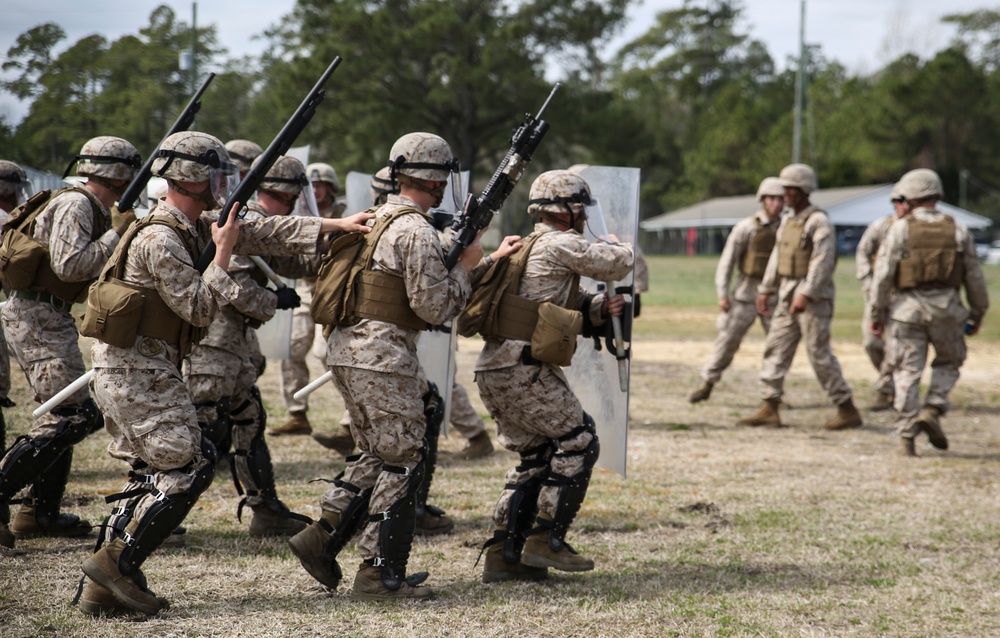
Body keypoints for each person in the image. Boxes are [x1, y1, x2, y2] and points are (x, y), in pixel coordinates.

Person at [77, 131, 374, 617]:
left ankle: (103, 584)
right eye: (213, 176)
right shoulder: (160, 237)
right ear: (189, 180)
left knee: (166, 468)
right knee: (189, 466)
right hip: (134, 371)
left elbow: (265, 232)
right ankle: (117, 564)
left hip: (149, 367)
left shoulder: (192, 222)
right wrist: (222, 253)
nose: (222, 185)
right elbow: (197, 308)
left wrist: (335, 224)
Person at [289, 132, 515, 600]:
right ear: (439, 182)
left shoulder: (381, 217)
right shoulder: (414, 230)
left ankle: (322, 537)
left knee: (378, 451)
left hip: (351, 349)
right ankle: (378, 573)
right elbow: (435, 306)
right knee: (406, 458)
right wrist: (468, 266)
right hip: (382, 357)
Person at [474, 169, 632, 583]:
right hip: (522, 367)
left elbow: (556, 300)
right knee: (578, 441)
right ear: (571, 209)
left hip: (497, 367)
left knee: (538, 455)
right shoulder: (562, 242)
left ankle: (505, 554)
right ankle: (546, 539)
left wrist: (598, 309)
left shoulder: (530, 246)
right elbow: (613, 263)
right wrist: (622, 247)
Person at [0, 137, 141, 549]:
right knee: (72, 417)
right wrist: (118, 233)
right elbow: (70, 263)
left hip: (46, 314)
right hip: (39, 317)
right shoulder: (77, 204)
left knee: (63, 414)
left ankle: (39, 512)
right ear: (118, 174)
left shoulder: (80, 202)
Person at [184, 155, 317, 537]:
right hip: (214, 340)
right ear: (284, 194)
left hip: (234, 343)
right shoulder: (243, 219)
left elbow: (293, 261)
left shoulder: (258, 222)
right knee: (200, 426)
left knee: (249, 417)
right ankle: (153, 512)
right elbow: (233, 288)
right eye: (292, 199)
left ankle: (265, 508)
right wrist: (275, 301)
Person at [869, 169, 988, 456]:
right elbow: (974, 276)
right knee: (949, 362)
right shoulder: (957, 229)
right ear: (936, 195)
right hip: (948, 310)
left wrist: (877, 312)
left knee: (907, 371)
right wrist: (978, 312)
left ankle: (906, 438)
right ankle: (933, 407)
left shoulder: (900, 228)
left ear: (909, 197)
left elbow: (883, 275)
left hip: (906, 312)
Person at [737, 163, 862, 430]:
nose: (786, 194)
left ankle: (846, 408)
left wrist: (806, 294)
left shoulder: (818, 221)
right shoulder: (788, 221)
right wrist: (766, 289)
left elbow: (823, 261)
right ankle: (769, 406)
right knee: (776, 347)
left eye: (792, 189)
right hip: (785, 293)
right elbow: (776, 258)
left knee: (818, 353)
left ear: (805, 190)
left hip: (812, 298)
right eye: (785, 189)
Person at [689, 177, 784, 403]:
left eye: (780, 199)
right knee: (728, 341)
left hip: (776, 295)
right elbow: (727, 262)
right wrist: (723, 293)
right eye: (771, 198)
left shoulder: (786, 228)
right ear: (763, 200)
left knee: (779, 346)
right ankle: (707, 382)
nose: (776, 203)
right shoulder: (747, 227)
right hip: (746, 293)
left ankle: (773, 394)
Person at [270, 161, 345, 437]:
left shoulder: (343, 214)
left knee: (329, 354)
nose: (316, 190)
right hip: (305, 288)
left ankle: (353, 413)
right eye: (311, 185)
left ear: (331, 187)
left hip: (334, 290)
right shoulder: (299, 213)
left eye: (320, 184)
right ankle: (297, 413)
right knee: (293, 347)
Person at [856, 184, 909, 411]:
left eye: (904, 201)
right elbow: (863, 254)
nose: (901, 206)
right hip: (878, 294)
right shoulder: (881, 226)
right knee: (871, 342)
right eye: (896, 201)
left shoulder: (917, 230)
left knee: (898, 347)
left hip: (904, 297)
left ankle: (886, 389)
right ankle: (891, 382)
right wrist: (869, 285)